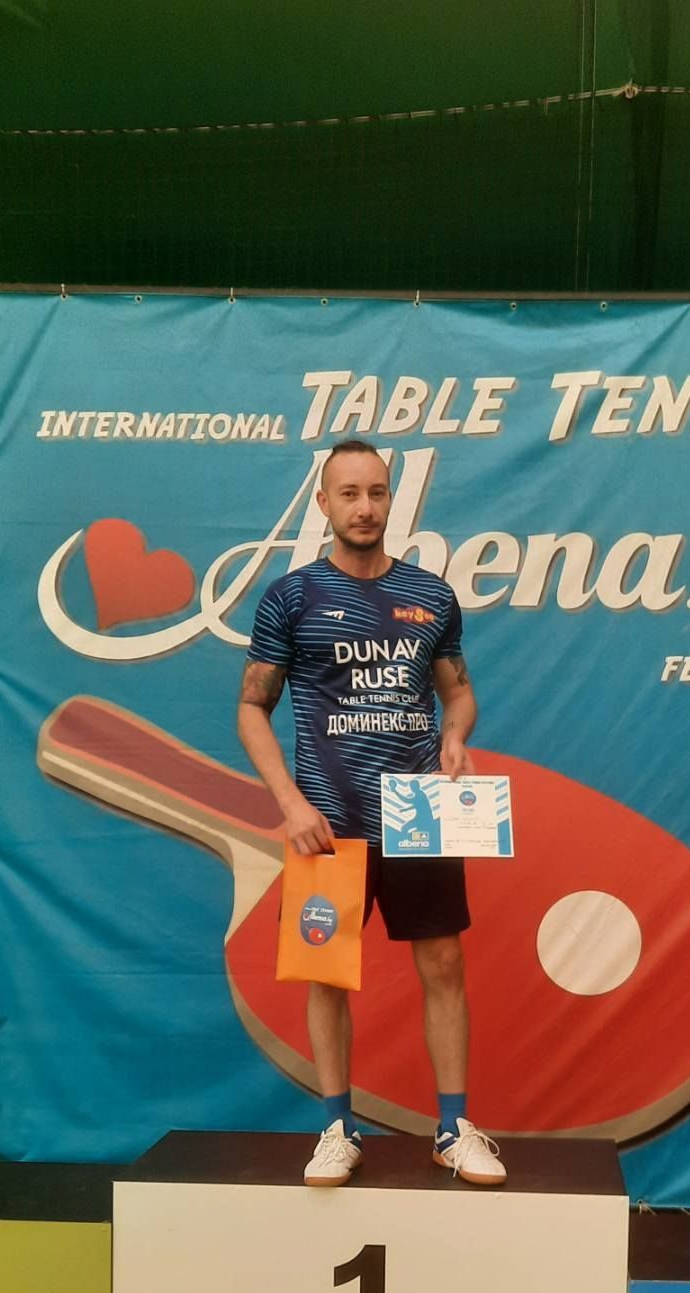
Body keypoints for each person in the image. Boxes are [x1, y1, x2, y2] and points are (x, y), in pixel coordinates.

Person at [237, 438, 506, 1189]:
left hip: (419, 813)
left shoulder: (431, 596)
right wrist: (290, 804)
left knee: (444, 965)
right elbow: (252, 709)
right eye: (349, 493)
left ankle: (453, 1130)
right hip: (328, 821)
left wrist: (456, 736)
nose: (364, 507)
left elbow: (458, 692)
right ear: (323, 503)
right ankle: (336, 1129)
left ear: (393, 500)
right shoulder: (291, 597)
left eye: (377, 492)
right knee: (328, 975)